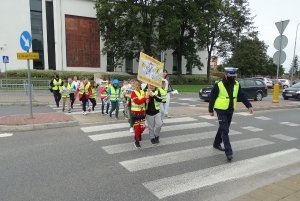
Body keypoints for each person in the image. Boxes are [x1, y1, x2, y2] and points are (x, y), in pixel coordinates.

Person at [209, 67, 254, 162]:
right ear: (226, 75)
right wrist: (211, 110)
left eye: (234, 76)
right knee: (225, 130)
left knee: (223, 127)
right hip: (220, 109)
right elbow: (212, 97)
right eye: (231, 75)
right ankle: (229, 152)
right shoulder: (219, 85)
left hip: (230, 109)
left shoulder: (237, 84)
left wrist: (249, 105)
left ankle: (216, 143)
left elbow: (241, 95)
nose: (232, 77)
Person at [131, 80, 148, 148]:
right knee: (137, 128)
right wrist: (145, 99)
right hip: (135, 114)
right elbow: (137, 102)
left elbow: (145, 101)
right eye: (136, 85)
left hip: (142, 113)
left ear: (140, 85)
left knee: (142, 127)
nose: (137, 86)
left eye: (138, 85)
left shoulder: (143, 92)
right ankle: (136, 141)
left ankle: (138, 134)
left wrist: (147, 100)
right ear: (134, 86)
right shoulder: (133, 93)